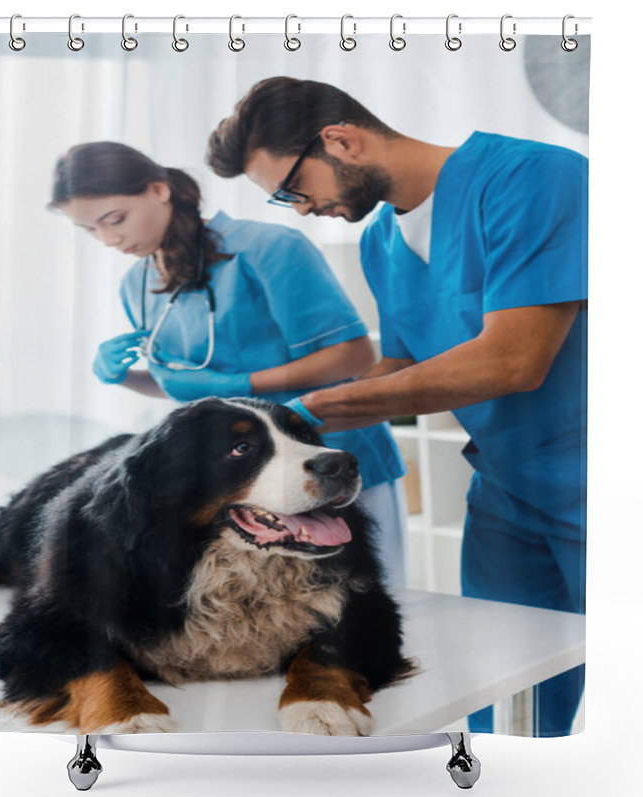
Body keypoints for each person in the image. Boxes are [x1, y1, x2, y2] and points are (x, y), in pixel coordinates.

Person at [207, 77, 588, 737]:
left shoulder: (535, 178)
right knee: (504, 685)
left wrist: (326, 401)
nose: (300, 211)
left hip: (597, 482)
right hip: (505, 490)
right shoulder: (384, 243)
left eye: (293, 190)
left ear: (341, 140)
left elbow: (515, 361)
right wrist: (287, 426)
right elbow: (405, 365)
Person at [49, 141, 409, 587]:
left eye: (114, 219)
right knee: (278, 616)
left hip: (324, 449)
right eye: (90, 231)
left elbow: (350, 356)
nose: (109, 240)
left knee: (362, 608)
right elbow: (187, 386)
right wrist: (127, 378)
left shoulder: (269, 248)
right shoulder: (137, 282)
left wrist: (242, 382)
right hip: (247, 478)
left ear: (159, 189)